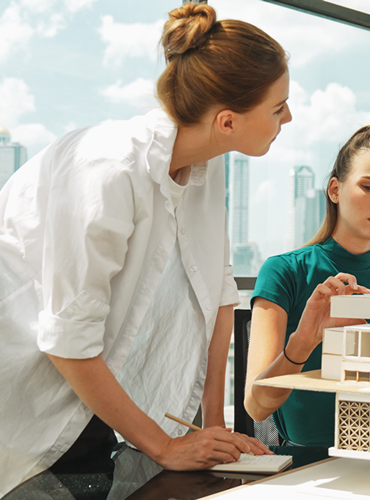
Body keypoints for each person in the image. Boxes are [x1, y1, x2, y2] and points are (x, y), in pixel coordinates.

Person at [0, 3, 292, 494]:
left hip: (87, 395)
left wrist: (213, 428)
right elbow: (68, 340)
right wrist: (165, 446)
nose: (290, 117)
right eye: (278, 106)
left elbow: (219, 293)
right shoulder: (107, 169)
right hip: (22, 389)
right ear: (227, 121)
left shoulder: (208, 163)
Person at [245, 124, 370, 449]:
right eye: (369, 187)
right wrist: (304, 341)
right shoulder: (284, 272)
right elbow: (256, 406)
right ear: (335, 190)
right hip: (307, 470)